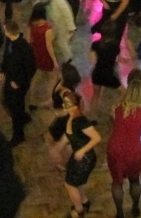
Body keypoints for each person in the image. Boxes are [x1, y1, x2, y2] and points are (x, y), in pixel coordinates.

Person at [107, 69, 141, 218]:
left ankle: (119, 214)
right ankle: (135, 208)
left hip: (114, 148)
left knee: (117, 183)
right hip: (133, 150)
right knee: (134, 180)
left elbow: (115, 124)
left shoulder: (116, 107)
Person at [55, 90, 101, 218]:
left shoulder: (81, 121)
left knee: (69, 184)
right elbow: (70, 136)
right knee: (77, 182)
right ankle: (84, 202)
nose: (63, 106)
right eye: (64, 103)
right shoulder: (71, 117)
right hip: (77, 156)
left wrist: (82, 150)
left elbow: (97, 138)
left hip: (85, 158)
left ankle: (79, 211)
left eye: (67, 104)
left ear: (75, 106)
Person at [0, 19, 37, 147]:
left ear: (9, 31)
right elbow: (6, 57)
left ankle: (18, 135)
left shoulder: (24, 48)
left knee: (15, 107)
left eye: (5, 29)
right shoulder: (9, 41)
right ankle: (23, 117)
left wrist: (19, 83)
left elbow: (31, 68)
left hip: (18, 84)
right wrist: (2, 70)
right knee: (6, 101)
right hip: (10, 79)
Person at [33, 0, 75, 65]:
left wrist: (71, 28)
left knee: (62, 43)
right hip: (50, 25)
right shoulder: (39, 2)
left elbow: (67, 14)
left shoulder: (59, 0)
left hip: (61, 25)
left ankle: (69, 60)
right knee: (51, 43)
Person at [26, 2, 57, 109]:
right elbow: (49, 46)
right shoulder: (47, 29)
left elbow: (29, 40)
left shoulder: (31, 25)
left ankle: (32, 100)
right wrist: (54, 61)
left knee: (36, 78)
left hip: (36, 54)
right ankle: (49, 100)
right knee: (52, 78)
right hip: (46, 56)